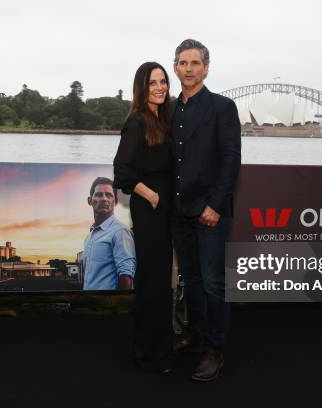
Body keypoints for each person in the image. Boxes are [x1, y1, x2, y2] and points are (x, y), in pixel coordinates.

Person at [171, 39, 241, 381]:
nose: (188, 68)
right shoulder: (169, 110)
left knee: (215, 283)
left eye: (195, 63)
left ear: (206, 68)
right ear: (175, 68)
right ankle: (196, 334)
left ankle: (215, 349)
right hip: (180, 212)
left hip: (210, 212)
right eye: (183, 62)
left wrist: (215, 205)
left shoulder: (222, 107)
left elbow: (230, 160)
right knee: (193, 280)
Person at [113, 62, 174, 373]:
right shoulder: (137, 122)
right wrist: (151, 195)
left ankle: (160, 349)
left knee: (162, 282)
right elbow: (121, 173)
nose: (160, 87)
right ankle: (147, 353)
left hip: (166, 210)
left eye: (163, 81)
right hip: (149, 209)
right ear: (142, 87)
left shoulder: (163, 120)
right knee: (152, 281)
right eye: (153, 83)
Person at [82, 176, 136, 290]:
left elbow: (126, 277)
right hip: (88, 305)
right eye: (99, 194)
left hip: (108, 306)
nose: (104, 199)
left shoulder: (120, 232)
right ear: (89, 200)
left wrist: (117, 307)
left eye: (109, 195)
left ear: (115, 201)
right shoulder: (89, 238)